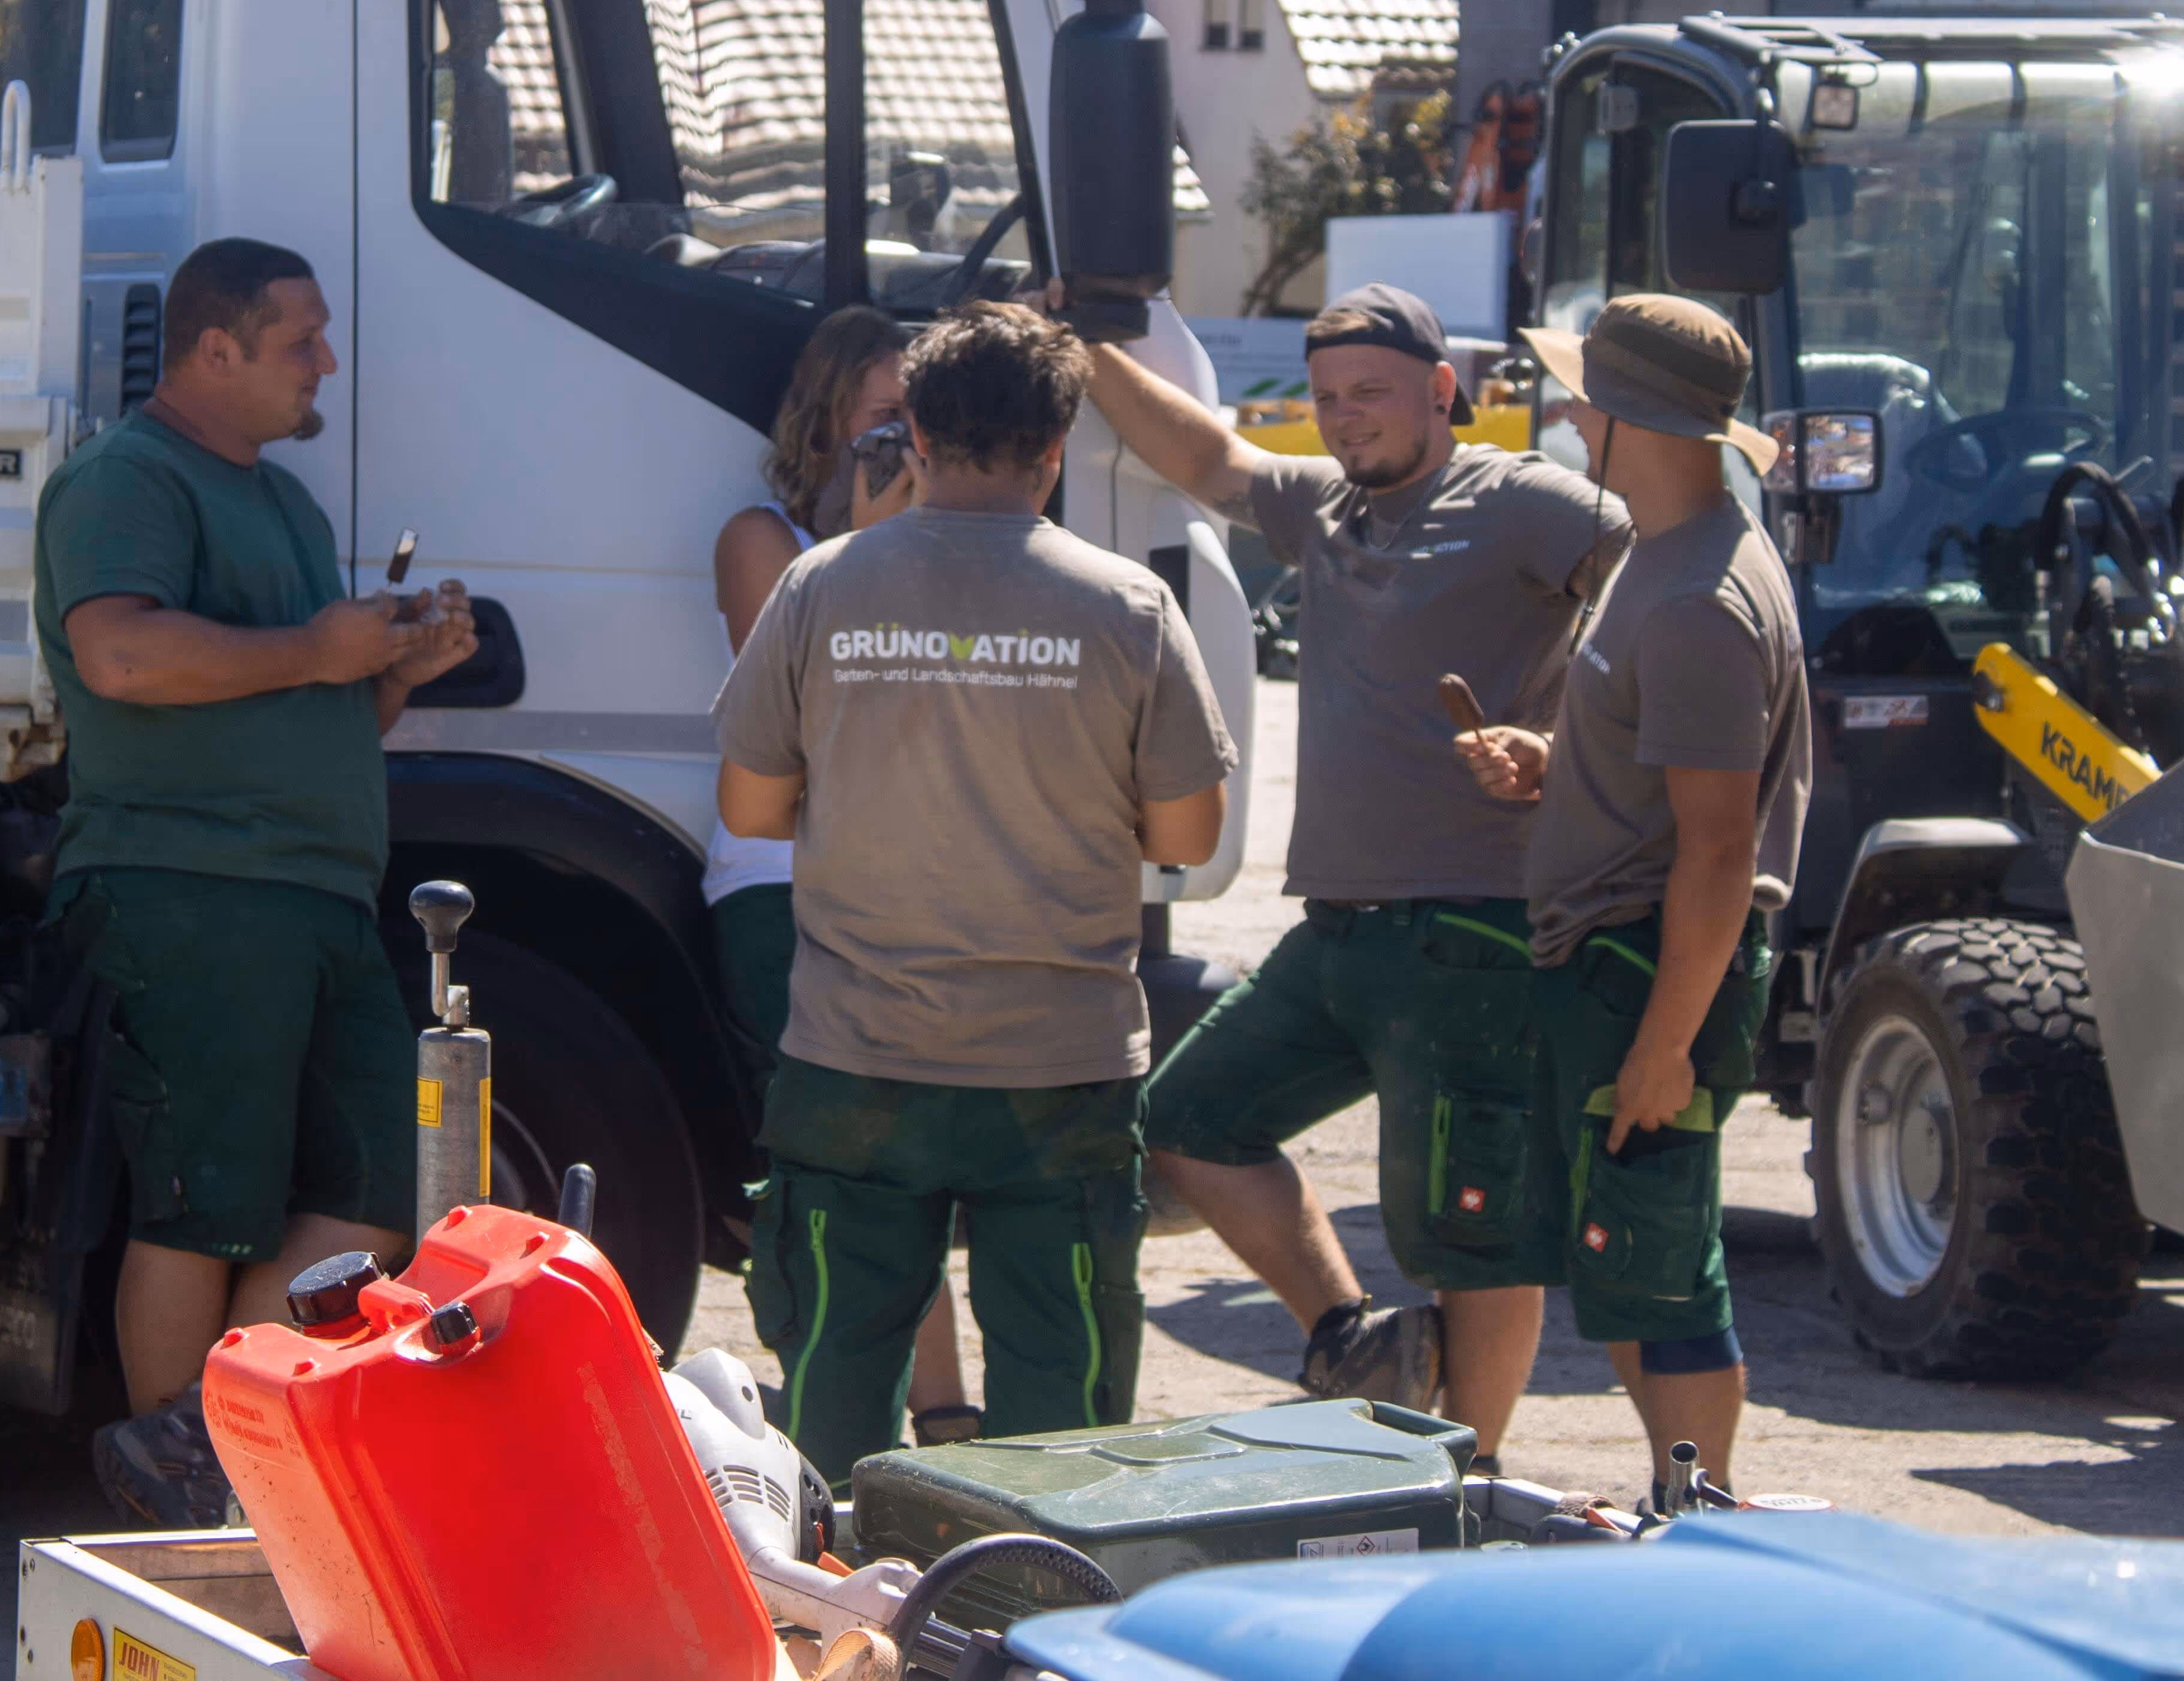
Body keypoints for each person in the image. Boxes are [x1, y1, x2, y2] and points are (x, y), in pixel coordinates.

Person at [1079, 285, 1627, 1467]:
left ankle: (1470, 1474)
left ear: (1443, 390)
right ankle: (1348, 1336)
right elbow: (1208, 456)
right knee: (1188, 1117)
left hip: (1478, 926)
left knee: (1473, 1232)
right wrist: (1083, 349)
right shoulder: (1323, 505)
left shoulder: (1520, 498)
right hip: (1337, 929)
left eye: (1372, 391)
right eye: (1327, 396)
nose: (1345, 416)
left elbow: (1656, 591)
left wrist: (1565, 745)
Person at [714, 303, 1237, 1481]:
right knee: (1062, 1401)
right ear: (1054, 447)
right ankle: (1029, 1585)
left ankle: (831, 1587)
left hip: (856, 1057)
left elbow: (749, 809)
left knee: (836, 1385)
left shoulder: (818, 586)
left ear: (916, 434)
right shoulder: (1129, 606)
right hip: (1060, 1066)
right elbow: (1187, 836)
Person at [36, 236, 481, 1526]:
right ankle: (188, 1495)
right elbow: (119, 657)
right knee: (204, 1208)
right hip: (188, 885)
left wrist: (392, 670)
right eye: (302, 339)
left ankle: (206, 1447)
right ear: (215, 348)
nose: (326, 361)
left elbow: (310, 702)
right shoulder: (124, 476)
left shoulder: (287, 504)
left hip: (316, 896)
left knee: (386, 1189)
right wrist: (318, 649)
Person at [1457, 294, 1807, 1498]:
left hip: (1647, 968)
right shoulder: (1665, 555)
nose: (1566, 415)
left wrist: (1665, 1044)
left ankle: (1699, 1515)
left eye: (1583, 397)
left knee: (1664, 1273)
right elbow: (1673, 784)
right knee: (1624, 1265)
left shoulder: (1700, 598)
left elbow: (1718, 851)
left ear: (1628, 419)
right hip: (1620, 960)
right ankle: (1681, 1502)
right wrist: (1560, 764)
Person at [707, 306, 976, 1444]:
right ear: (823, 423)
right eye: (885, 418)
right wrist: (873, 546)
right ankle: (852, 1425)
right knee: (839, 1151)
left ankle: (948, 1421)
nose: (907, 443)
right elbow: (798, 704)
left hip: (907, 880)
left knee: (907, 1152)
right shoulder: (760, 538)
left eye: (925, 423)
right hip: (780, 883)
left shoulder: (952, 546)